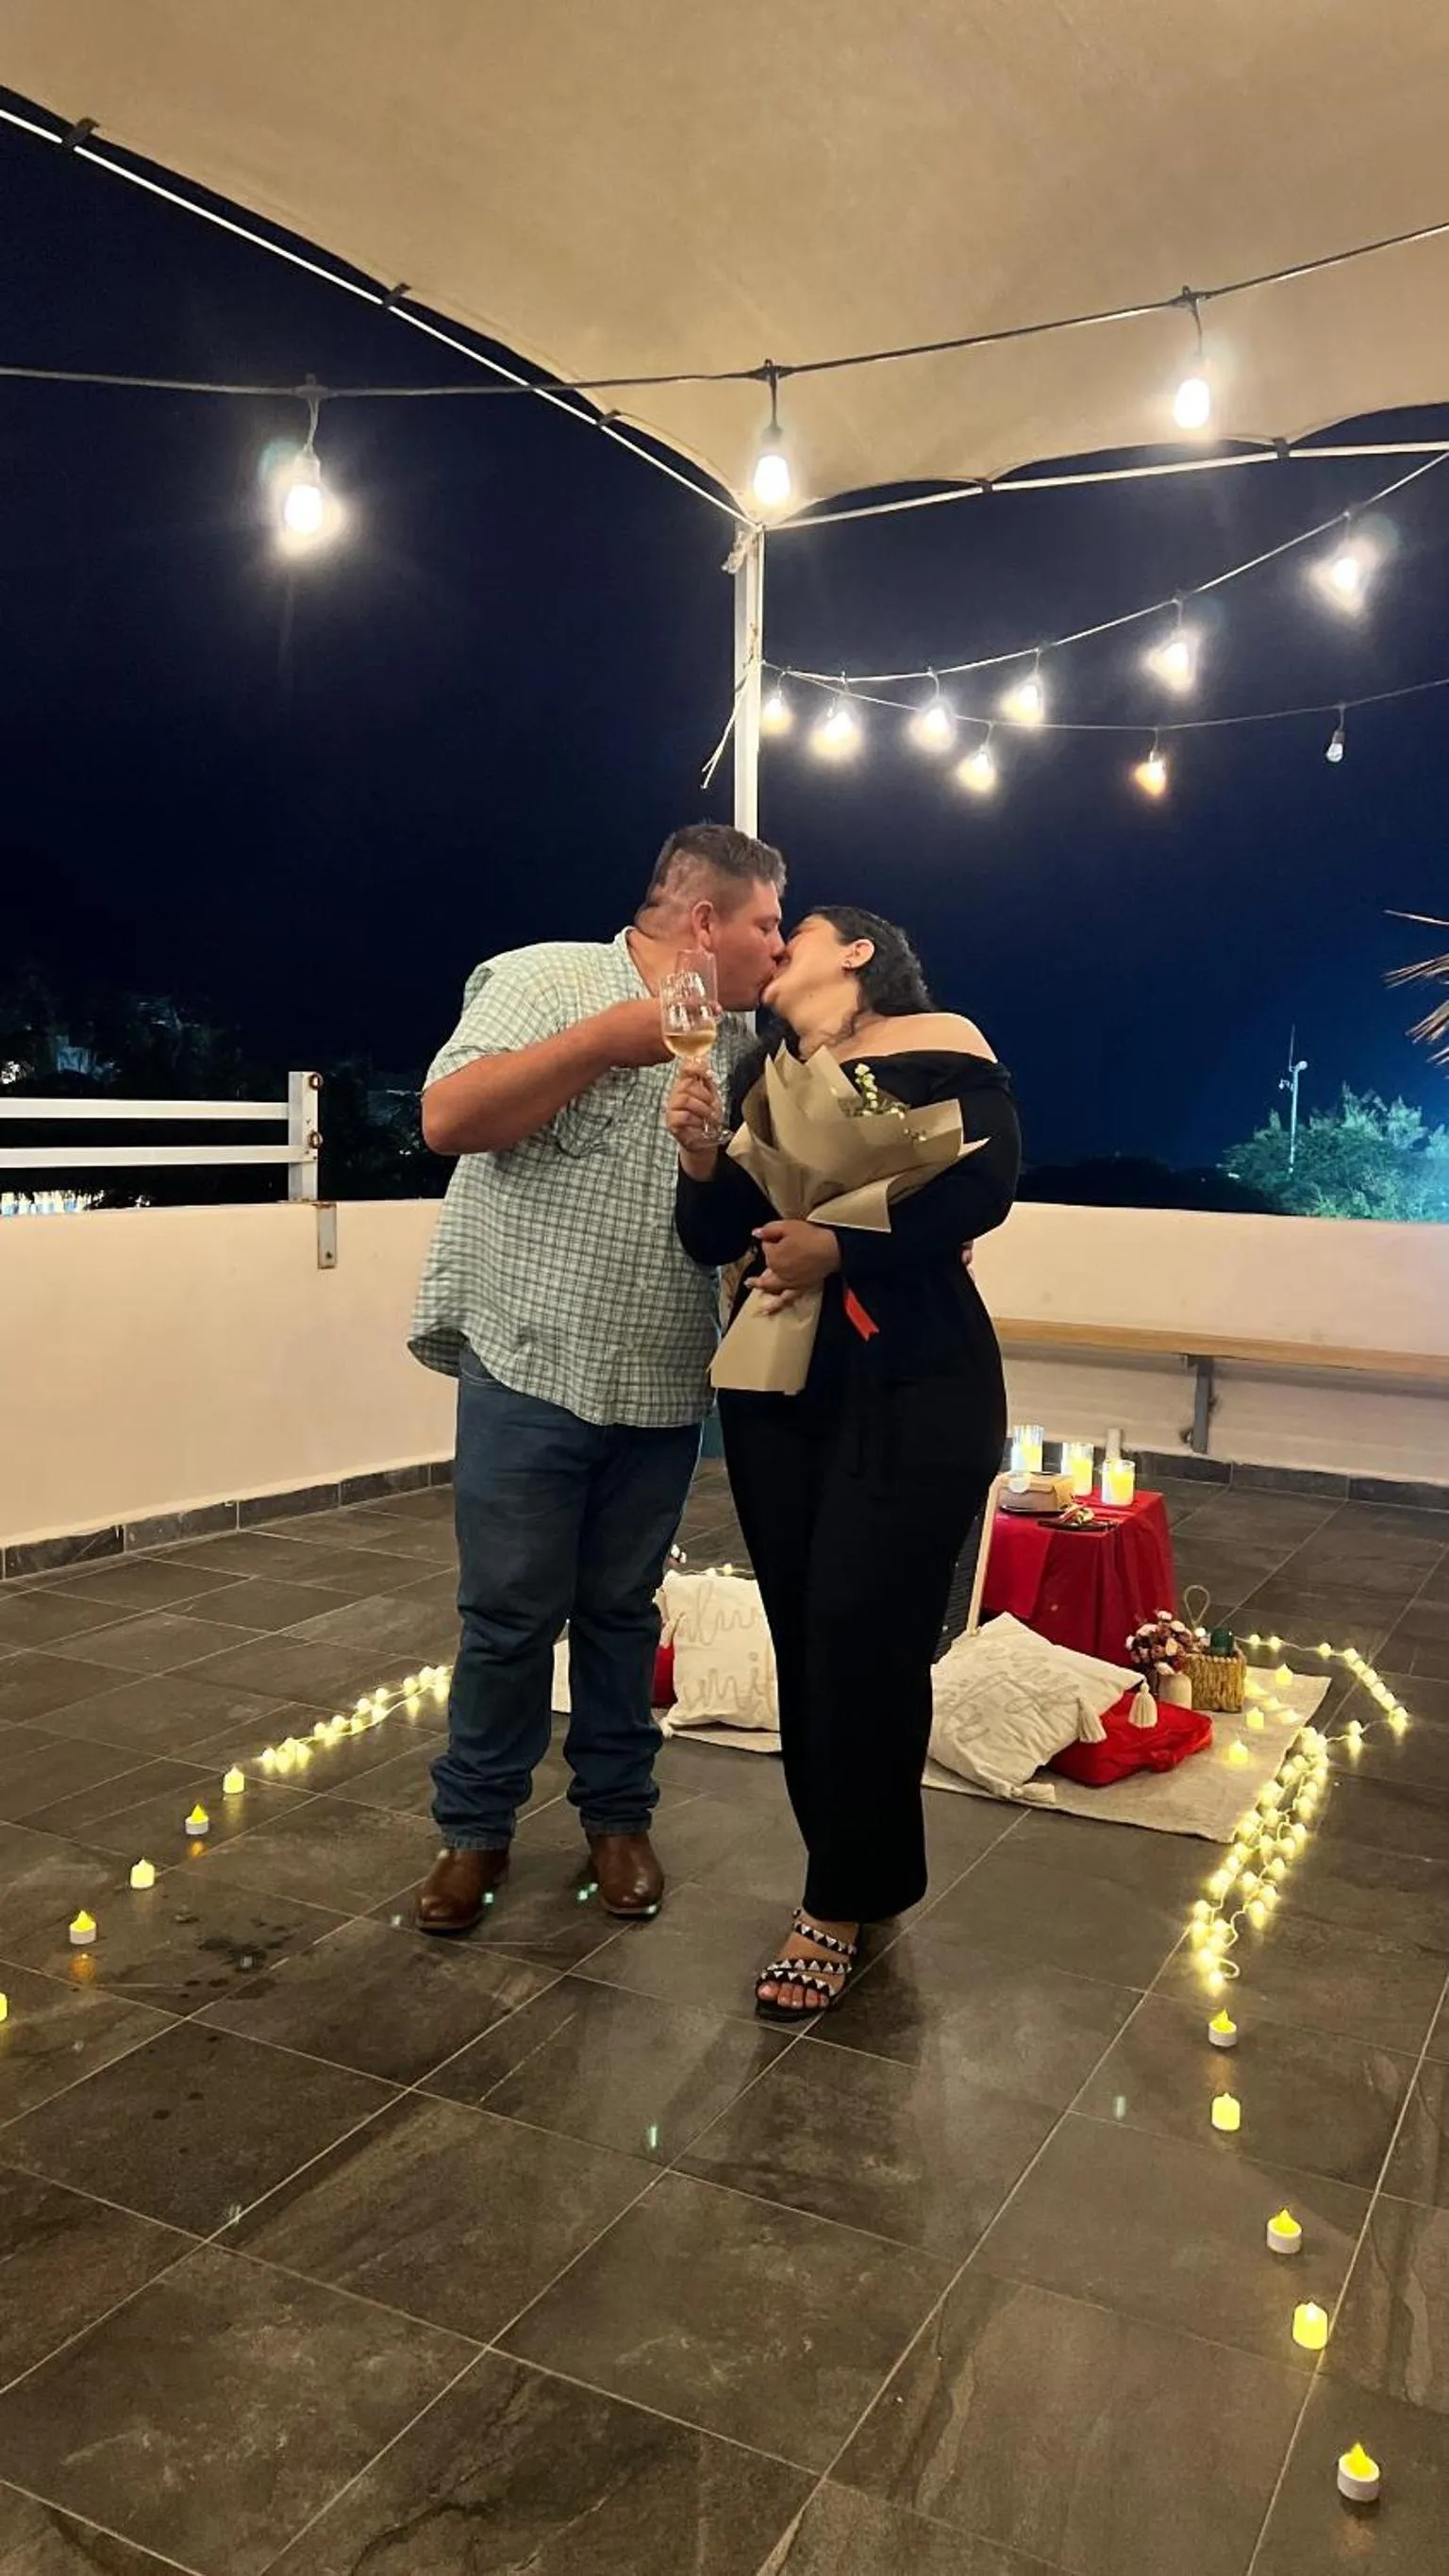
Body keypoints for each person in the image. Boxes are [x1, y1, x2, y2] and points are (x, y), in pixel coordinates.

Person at [410, 823, 787, 1933]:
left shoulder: (751, 1045)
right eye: (767, 924)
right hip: (528, 1358)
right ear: (705, 921)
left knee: (623, 1612)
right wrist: (605, 1042)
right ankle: (474, 1830)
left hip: (663, 1374)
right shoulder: (544, 979)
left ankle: (619, 1820)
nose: (778, 948)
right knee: (507, 1614)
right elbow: (446, 1119)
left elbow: (759, 1193)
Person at [668, 907, 1019, 2017]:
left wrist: (841, 1243)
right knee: (811, 1640)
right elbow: (715, 1235)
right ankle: (861, 1871)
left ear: (858, 951)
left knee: (865, 1637)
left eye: (801, 930)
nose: (778, 949)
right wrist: (700, 1155)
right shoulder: (768, 1074)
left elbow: (981, 1190)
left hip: (917, 1384)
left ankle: (834, 1901)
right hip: (783, 1390)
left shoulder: (943, 1047)